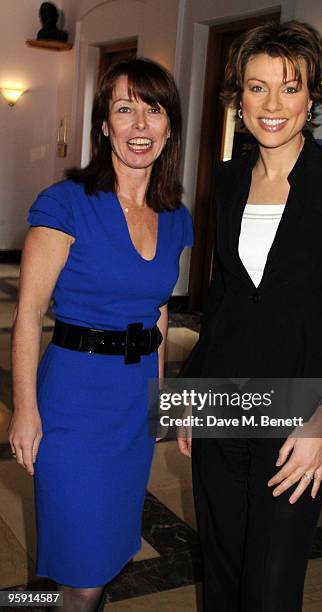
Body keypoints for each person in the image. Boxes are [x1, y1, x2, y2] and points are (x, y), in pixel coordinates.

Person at [179, 20, 322, 612]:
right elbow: (223, 301)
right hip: (223, 400)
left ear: (312, 96)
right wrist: (190, 400)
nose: (272, 105)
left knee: (271, 591)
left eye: (289, 87)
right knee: (221, 575)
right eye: (256, 88)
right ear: (238, 97)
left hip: (300, 410)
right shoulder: (225, 180)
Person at [9, 58, 193, 611]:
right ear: (104, 126)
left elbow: (158, 311)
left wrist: (160, 399)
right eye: (124, 109)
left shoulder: (175, 215)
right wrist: (24, 408)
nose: (140, 125)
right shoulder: (64, 205)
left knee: (108, 555)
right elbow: (27, 314)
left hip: (132, 401)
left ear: (169, 126)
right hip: (74, 399)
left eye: (153, 110)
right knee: (82, 573)